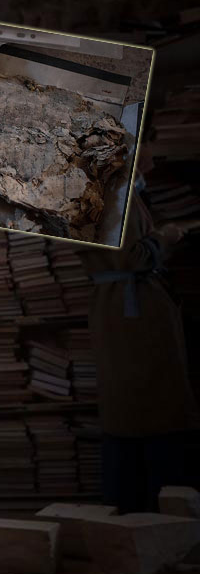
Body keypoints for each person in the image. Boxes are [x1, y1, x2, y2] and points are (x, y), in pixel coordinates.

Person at [79, 131, 200, 513]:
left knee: (139, 409)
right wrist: (166, 236)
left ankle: (140, 508)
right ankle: (149, 512)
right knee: (147, 410)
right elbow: (129, 257)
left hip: (126, 308)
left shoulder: (111, 189)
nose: (153, 159)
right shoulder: (115, 193)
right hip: (131, 313)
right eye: (147, 149)